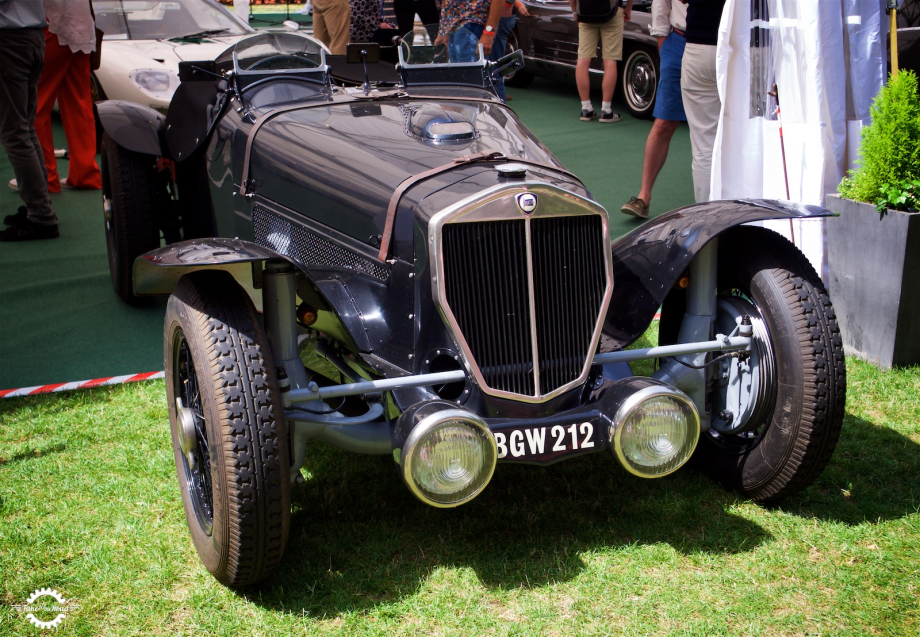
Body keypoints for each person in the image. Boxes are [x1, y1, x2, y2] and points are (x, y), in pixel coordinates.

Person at [621, 0, 687, 218]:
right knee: (663, 123)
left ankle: (718, 197)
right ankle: (643, 197)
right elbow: (661, 7)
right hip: (679, 41)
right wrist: (665, 48)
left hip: (717, 44)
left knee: (716, 125)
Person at [28, 0, 102, 194]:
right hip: (82, 28)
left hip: (52, 26)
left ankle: (44, 178)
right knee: (79, 104)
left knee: (36, 105)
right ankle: (85, 174)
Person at [0, 0, 59, 241]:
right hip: (32, 35)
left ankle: (41, 215)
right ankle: (39, 208)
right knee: (25, 128)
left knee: (15, 132)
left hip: (10, 39)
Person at [680, 0, 725, 202]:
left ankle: (708, 218)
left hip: (702, 43)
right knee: (751, 136)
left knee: (704, 146)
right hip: (750, 44)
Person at [569, 0, 632, 122]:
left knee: (583, 60)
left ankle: (586, 108)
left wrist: (575, 12)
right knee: (610, 60)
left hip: (585, 13)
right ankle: (606, 110)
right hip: (612, 12)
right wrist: (628, 9)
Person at [435, 0, 504, 63]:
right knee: (458, 74)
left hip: (473, 26)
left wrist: (489, 32)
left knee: (472, 74)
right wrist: (443, 30)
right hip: (454, 27)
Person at [488, 0, 530, 102]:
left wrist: (516, 3)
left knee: (494, 61)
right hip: (504, 15)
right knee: (496, 60)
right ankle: (498, 94)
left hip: (501, 15)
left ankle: (498, 96)